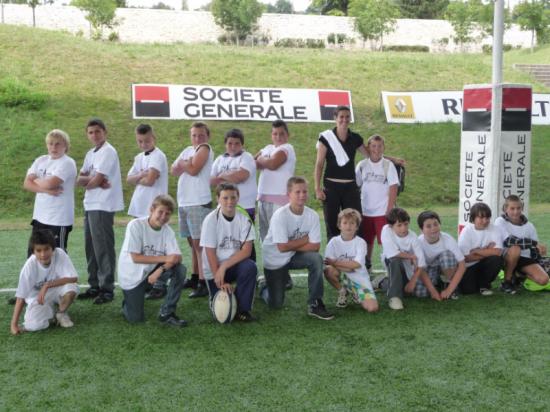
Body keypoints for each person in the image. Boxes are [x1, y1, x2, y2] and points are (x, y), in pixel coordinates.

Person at [261, 177, 334, 320]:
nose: (302, 195)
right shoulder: (280, 216)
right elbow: (281, 247)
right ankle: (263, 286)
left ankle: (315, 303)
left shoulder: (312, 215)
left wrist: (292, 244)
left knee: (316, 259)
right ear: (289, 194)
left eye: (305, 191)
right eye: (297, 192)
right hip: (274, 259)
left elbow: (315, 247)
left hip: (294, 255)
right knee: (275, 303)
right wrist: (305, 239)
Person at [117, 195, 188, 327]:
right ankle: (129, 302)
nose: (163, 217)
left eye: (167, 214)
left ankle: (167, 312)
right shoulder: (136, 225)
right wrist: (166, 258)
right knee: (135, 319)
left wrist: (160, 270)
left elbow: (177, 257)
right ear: (151, 209)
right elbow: (136, 257)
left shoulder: (167, 231)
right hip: (132, 276)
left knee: (180, 269)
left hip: (153, 271)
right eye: (160, 212)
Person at [76, 118, 124, 304]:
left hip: (103, 205)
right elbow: (80, 179)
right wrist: (94, 180)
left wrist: (95, 180)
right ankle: (94, 284)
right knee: (91, 247)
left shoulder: (108, 151)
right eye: (90, 132)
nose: (94, 135)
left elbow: (92, 181)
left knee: (103, 247)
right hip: (90, 203)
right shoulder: (91, 153)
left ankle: (107, 288)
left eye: (97, 131)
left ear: (105, 132)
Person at [200, 183, 257, 322]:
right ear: (218, 199)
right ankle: (217, 295)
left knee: (250, 267)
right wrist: (219, 276)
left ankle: (243, 309)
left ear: (238, 198)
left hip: (233, 264)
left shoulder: (244, 219)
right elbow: (210, 252)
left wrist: (224, 266)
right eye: (225, 198)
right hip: (214, 267)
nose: (230, 201)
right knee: (221, 312)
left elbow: (246, 251)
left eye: (233, 197)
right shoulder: (211, 220)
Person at [126, 124, 169, 300]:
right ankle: (145, 282)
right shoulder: (139, 157)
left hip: (155, 209)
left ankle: (159, 284)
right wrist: (140, 176)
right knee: (143, 247)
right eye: (140, 141)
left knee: (157, 247)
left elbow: (150, 180)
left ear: (154, 138)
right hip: (139, 207)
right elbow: (128, 179)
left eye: (147, 140)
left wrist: (140, 177)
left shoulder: (158, 156)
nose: (143, 144)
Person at [171, 122, 214, 298]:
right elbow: (174, 170)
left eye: (201, 135)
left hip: (198, 201)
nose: (197, 138)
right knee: (192, 244)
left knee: (200, 245)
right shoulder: (187, 151)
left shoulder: (205, 148)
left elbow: (194, 169)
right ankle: (196, 277)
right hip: (185, 202)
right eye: (194, 135)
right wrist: (185, 163)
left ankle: (204, 282)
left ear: (207, 136)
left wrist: (185, 164)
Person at [10, 230, 79, 335]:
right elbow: (20, 297)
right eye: (38, 250)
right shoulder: (29, 266)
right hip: (38, 297)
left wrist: (47, 285)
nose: (43, 254)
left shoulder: (60, 254)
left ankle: (61, 313)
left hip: (56, 290)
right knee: (33, 326)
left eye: (47, 249)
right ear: (33, 251)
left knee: (71, 288)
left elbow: (73, 278)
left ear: (53, 248)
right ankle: (51, 312)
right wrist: (13, 325)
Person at [255, 120, 296, 288]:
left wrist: (263, 159)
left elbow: (272, 164)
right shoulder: (268, 148)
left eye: (281, 133)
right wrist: (264, 159)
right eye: (275, 133)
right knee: (265, 240)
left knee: (279, 239)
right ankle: (271, 275)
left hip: (279, 201)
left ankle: (285, 277)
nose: (278, 137)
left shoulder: (287, 148)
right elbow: (253, 162)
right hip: (263, 200)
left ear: (287, 135)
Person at [23, 129, 77, 254]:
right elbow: (26, 184)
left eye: (58, 144)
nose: (54, 147)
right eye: (51, 143)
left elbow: (50, 183)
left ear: (66, 146)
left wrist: (35, 179)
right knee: (33, 256)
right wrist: (46, 191)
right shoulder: (41, 160)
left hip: (58, 219)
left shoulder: (68, 162)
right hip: (39, 217)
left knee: (58, 256)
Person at [210, 128, 257, 261]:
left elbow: (241, 176)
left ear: (242, 145)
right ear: (225, 144)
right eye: (230, 143)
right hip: (225, 207)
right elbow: (211, 180)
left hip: (245, 207)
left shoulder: (246, 157)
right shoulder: (220, 159)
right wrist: (230, 176)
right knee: (228, 240)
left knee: (247, 241)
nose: (233, 146)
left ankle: (250, 271)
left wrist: (222, 176)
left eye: (237, 143)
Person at [381, 207, 441, 310]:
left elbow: (421, 263)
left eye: (406, 224)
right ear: (391, 226)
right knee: (395, 260)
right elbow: (392, 253)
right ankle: (394, 297)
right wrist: (411, 256)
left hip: (408, 271)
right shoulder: (386, 230)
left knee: (409, 292)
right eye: (399, 225)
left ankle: (382, 282)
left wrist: (413, 281)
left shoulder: (413, 237)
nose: (403, 228)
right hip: (392, 264)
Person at [355, 134, 399, 269]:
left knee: (385, 241)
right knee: (366, 241)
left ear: (383, 147)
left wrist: (389, 209)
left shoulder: (388, 165)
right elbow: (356, 185)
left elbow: (393, 187)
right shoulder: (362, 165)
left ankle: (389, 266)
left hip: (382, 211)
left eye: (380, 146)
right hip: (365, 210)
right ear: (368, 147)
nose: (377, 149)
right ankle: (367, 263)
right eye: (373, 146)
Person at [324, 208, 379, 313]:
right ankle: (342, 290)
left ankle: (355, 290)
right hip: (342, 273)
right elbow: (328, 262)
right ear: (339, 225)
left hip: (358, 277)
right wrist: (347, 268)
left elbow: (357, 265)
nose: (348, 226)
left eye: (352, 223)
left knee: (372, 308)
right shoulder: (333, 242)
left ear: (357, 226)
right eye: (345, 223)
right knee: (328, 270)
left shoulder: (360, 243)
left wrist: (335, 263)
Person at [495, 195, 549, 294]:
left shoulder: (529, 226)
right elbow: (509, 241)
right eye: (512, 208)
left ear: (522, 208)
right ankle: (506, 282)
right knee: (516, 249)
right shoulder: (500, 221)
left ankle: (518, 275)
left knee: (544, 280)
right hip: (505, 256)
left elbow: (533, 250)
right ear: (505, 208)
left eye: (518, 208)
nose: (516, 211)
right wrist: (534, 243)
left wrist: (540, 252)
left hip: (524, 259)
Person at [417, 210, 466, 300]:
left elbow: (462, 265)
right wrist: (432, 291)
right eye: (428, 226)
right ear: (421, 230)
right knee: (421, 293)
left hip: (445, 266)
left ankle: (448, 282)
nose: (433, 228)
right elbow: (419, 269)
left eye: (436, 224)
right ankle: (437, 282)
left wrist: (449, 290)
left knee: (446, 255)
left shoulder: (447, 239)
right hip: (428, 268)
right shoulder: (418, 243)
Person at [457, 202, 503, 296]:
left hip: (484, 264)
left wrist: (477, 251)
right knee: (468, 291)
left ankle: (484, 285)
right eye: (481, 217)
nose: (485, 221)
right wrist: (487, 251)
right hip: (468, 267)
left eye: (487, 218)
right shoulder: (467, 232)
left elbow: (498, 252)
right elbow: (466, 258)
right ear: (473, 218)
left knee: (496, 260)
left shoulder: (495, 229)